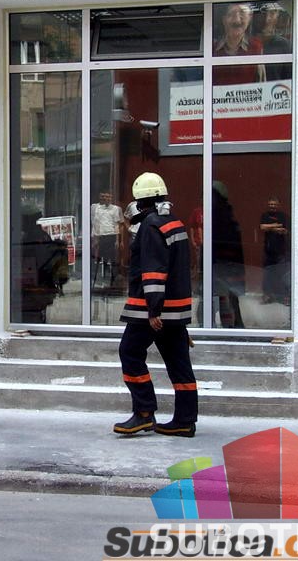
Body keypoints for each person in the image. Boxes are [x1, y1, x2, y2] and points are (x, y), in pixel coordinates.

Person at [113, 173, 198, 438]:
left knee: (129, 352)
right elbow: (178, 268)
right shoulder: (174, 222)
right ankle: (185, 420)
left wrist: (153, 311)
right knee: (179, 363)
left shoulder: (150, 226)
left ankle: (144, 412)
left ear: (141, 202)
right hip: (175, 309)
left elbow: (153, 270)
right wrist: (178, 320)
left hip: (150, 310)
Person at [212, 182, 245, 328]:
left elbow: (218, 243)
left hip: (223, 264)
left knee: (224, 298)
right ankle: (234, 326)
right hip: (225, 263)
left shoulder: (221, 217)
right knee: (226, 299)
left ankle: (232, 328)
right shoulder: (225, 216)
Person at [213, 2, 266, 84]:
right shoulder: (212, 48)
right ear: (224, 20)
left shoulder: (256, 47)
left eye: (242, 13)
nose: (237, 20)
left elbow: (261, 84)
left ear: (249, 18)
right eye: (231, 14)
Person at [259, 196, 290, 305]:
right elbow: (262, 227)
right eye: (271, 204)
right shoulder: (265, 215)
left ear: (278, 205)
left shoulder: (283, 216)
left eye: (274, 204)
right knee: (267, 274)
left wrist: (272, 228)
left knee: (283, 273)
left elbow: (286, 230)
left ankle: (285, 297)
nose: (272, 206)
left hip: (281, 250)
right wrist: (276, 226)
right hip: (268, 250)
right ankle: (267, 296)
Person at [91, 191, 123, 286]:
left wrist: (117, 240)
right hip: (101, 236)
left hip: (111, 235)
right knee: (101, 258)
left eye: (108, 197)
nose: (106, 198)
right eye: (104, 197)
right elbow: (96, 224)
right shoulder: (96, 208)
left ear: (111, 198)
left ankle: (112, 279)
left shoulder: (115, 209)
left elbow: (117, 225)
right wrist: (95, 239)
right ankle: (102, 278)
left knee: (112, 259)